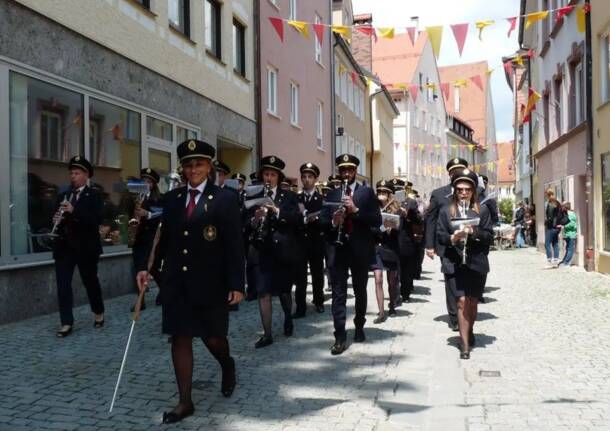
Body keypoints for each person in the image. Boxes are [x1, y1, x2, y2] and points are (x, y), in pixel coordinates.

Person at [136, 139, 245, 424]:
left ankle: (227, 364)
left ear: (209, 166)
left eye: (198, 163)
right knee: (180, 339)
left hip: (212, 283)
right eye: (188, 164)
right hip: (177, 282)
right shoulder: (171, 200)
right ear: (182, 169)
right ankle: (185, 401)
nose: (193, 169)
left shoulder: (225, 199)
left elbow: (235, 245)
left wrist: (237, 284)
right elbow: (160, 240)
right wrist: (145, 268)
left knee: (213, 339)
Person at [320, 154, 382, 355]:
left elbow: (376, 220)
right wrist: (333, 222)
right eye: (343, 170)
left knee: (360, 290)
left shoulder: (366, 193)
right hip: (338, 249)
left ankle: (359, 326)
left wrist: (355, 210)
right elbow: (322, 222)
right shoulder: (331, 194)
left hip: (360, 249)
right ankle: (339, 335)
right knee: (338, 293)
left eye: (350, 170)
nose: (346, 173)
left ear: (356, 170)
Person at [436, 168, 494, 360]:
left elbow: (489, 237)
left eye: (467, 189)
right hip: (454, 263)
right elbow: (440, 236)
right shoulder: (446, 211)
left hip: (476, 263)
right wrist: (453, 237)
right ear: (454, 190)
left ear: (473, 191)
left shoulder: (482, 210)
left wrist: (474, 232)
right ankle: (464, 344)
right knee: (461, 302)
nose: (463, 193)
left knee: (472, 302)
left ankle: (469, 331)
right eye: (459, 189)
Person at [246, 156, 300, 348]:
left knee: (284, 291)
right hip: (260, 250)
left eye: (272, 175)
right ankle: (267, 334)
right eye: (266, 174)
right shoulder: (253, 196)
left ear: (279, 177)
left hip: (281, 250)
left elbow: (296, 220)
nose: (269, 178)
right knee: (263, 292)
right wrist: (254, 220)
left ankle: (288, 317)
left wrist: (277, 211)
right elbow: (243, 223)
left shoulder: (289, 197)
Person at [53, 156, 105, 338]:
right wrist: (55, 220)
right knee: (63, 285)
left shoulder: (94, 196)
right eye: (71, 173)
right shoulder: (63, 195)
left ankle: (98, 312)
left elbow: (96, 220)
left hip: (86, 247)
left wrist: (74, 211)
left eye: (76, 173)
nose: (72, 177)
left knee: (90, 282)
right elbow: (51, 217)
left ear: (86, 175)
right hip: (64, 247)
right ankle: (66, 322)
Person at [424, 158, 470, 332]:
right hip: (446, 245)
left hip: (468, 244)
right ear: (449, 174)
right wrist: (429, 245)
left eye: (461, 170)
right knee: (450, 280)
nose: (457, 174)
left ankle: (467, 310)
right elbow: (431, 220)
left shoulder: (474, 191)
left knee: (467, 279)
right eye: (454, 172)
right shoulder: (439, 193)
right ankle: (454, 317)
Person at [293, 163, 326, 317]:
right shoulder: (296, 198)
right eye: (304, 177)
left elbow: (326, 221)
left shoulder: (322, 198)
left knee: (317, 274)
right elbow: (292, 219)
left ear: (315, 179)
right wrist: (302, 219)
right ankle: (300, 307)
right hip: (300, 243)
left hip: (316, 242)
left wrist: (315, 219)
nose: (306, 180)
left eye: (310, 177)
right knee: (300, 276)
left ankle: (319, 301)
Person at [130, 168, 163, 311]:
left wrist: (147, 214)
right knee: (138, 268)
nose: (145, 183)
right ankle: (141, 299)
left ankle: (161, 292)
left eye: (149, 181)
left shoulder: (158, 199)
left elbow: (161, 215)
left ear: (153, 185)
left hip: (151, 238)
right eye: (143, 180)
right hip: (137, 237)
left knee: (152, 269)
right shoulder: (134, 197)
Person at [371, 180, 401, 323]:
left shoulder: (397, 209)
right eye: (380, 192)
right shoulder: (373, 209)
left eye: (384, 193)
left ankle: (393, 305)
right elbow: (370, 228)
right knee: (378, 279)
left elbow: (401, 230)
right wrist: (382, 228)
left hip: (391, 249)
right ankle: (381, 312)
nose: (381, 195)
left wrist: (393, 227)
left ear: (389, 195)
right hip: (376, 248)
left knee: (392, 281)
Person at [396, 179, 424, 304]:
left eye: (399, 189)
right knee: (394, 271)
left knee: (406, 270)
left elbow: (419, 221)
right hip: (391, 241)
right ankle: (394, 294)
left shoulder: (411, 203)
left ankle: (405, 293)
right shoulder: (389, 203)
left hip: (406, 241)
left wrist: (409, 214)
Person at [544, 189, 562, 265]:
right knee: (555, 242)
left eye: (545, 194)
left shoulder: (551, 203)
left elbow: (550, 217)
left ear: (547, 194)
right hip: (557, 226)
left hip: (552, 226)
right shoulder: (557, 202)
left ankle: (549, 259)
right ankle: (556, 259)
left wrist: (547, 223)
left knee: (547, 243)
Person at [558, 202, 577, 267]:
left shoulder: (571, 214)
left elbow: (572, 224)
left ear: (565, 207)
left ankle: (566, 263)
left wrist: (563, 226)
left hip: (571, 234)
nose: (561, 208)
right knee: (568, 248)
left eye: (562, 207)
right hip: (567, 234)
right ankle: (564, 261)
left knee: (570, 249)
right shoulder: (567, 213)